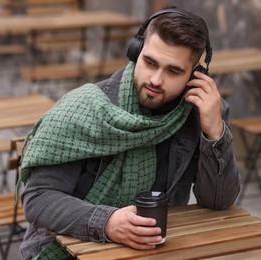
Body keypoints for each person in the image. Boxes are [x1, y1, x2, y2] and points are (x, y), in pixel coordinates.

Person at [19, 7, 240, 259]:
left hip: (157, 250)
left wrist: (214, 133)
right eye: (150, 62)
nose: (156, 80)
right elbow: (39, 200)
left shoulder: (203, 113)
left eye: (173, 71)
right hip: (70, 251)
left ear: (196, 74)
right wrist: (107, 222)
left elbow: (218, 202)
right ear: (136, 52)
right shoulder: (85, 109)